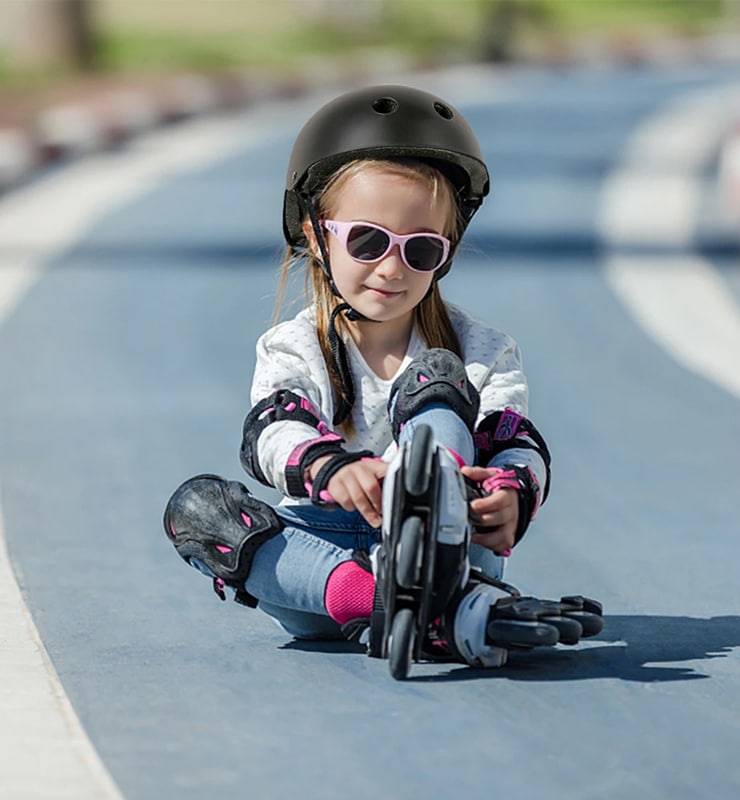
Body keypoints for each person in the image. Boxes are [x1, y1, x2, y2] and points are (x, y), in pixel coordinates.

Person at [164, 84, 599, 671]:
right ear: (316, 235)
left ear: (446, 253)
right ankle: (418, 608)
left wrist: (513, 493)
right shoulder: (294, 346)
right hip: (321, 562)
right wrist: (329, 467)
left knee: (437, 376)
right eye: (367, 241)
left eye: (420, 250)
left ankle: (434, 552)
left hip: (452, 543)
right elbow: (272, 430)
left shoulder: (483, 350)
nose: (392, 268)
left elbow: (514, 439)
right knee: (198, 510)